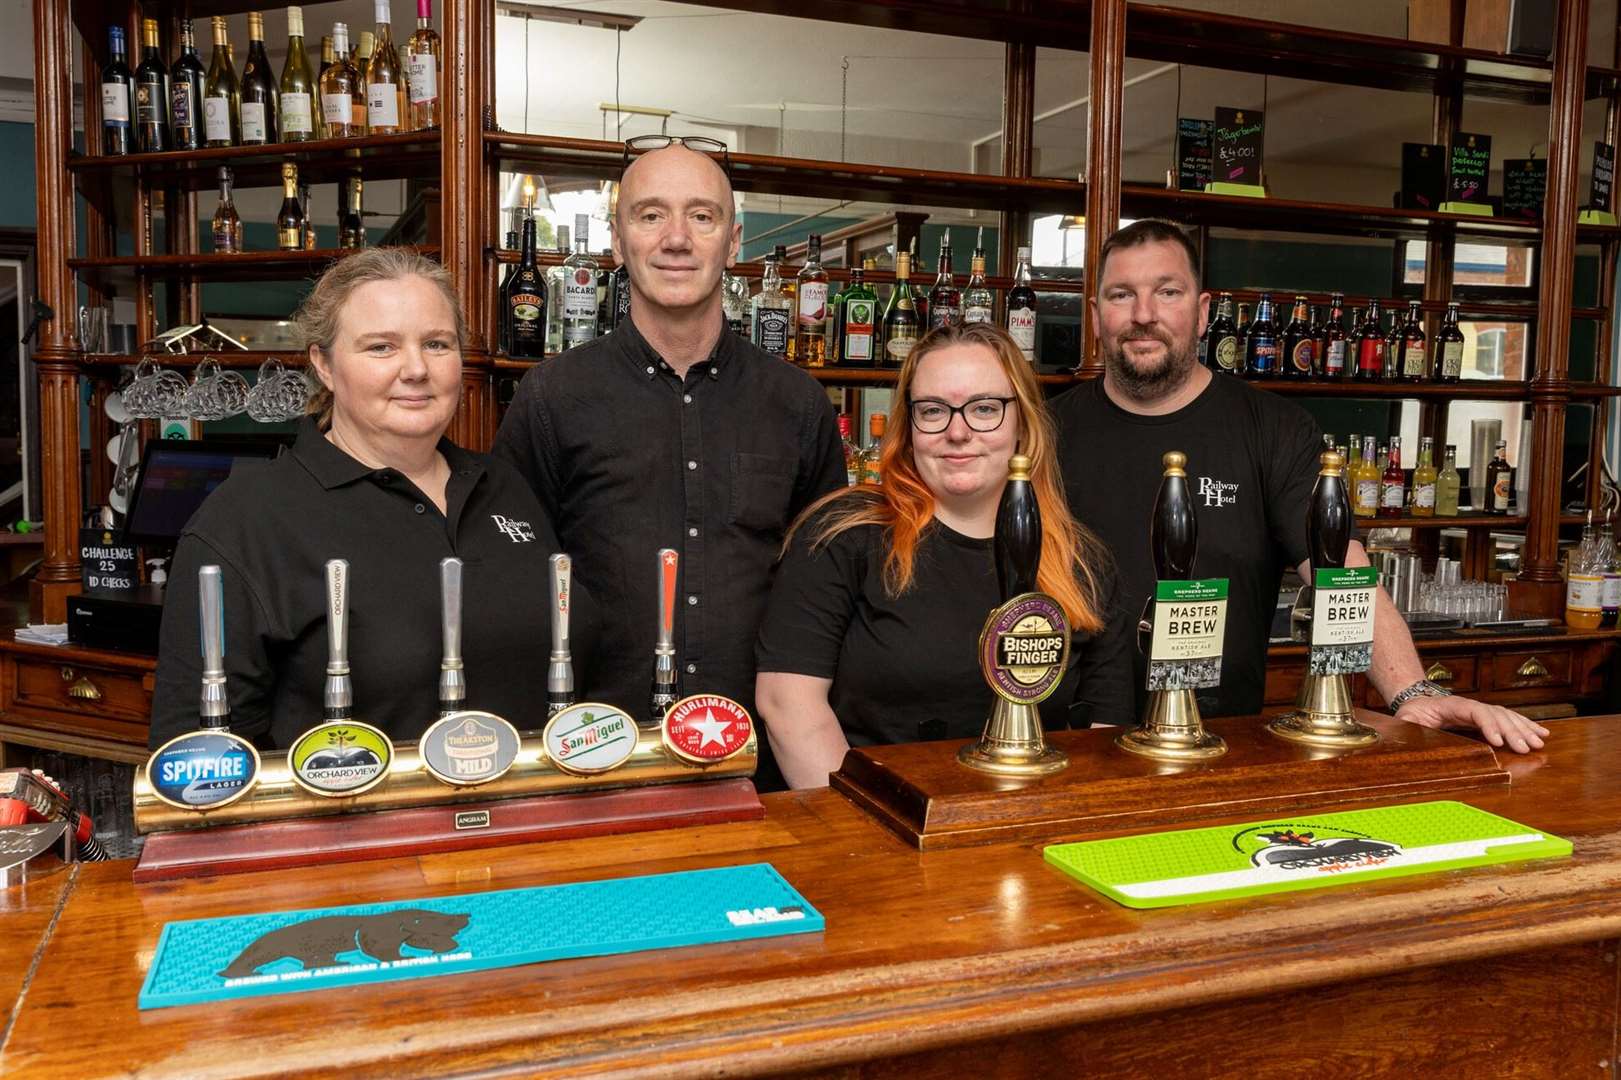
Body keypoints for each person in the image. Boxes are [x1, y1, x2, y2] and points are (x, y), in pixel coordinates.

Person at [1050, 219, 1548, 754]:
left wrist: (1411, 691)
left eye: (1167, 292)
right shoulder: (1045, 431)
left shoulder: (1274, 428)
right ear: (1096, 311)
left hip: (1218, 743)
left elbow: (1338, 568)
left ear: (1202, 312)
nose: (1144, 314)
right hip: (1065, 738)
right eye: (1122, 294)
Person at [492, 138, 845, 785]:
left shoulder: (797, 404)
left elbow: (828, 590)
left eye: (701, 216)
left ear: (733, 242)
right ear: (618, 240)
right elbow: (511, 581)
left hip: (763, 758)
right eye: (650, 215)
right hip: (592, 756)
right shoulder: (552, 397)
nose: (676, 238)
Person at [150, 248, 587, 749]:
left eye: (438, 343)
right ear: (325, 365)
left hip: (533, 821)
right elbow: (197, 758)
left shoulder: (503, 485)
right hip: (355, 825)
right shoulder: (245, 519)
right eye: (381, 347)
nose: (416, 369)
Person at [755, 323, 1134, 789]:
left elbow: (1105, 730)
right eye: (933, 411)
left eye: (984, 408)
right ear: (909, 427)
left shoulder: (1081, 563)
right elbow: (788, 705)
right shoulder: (844, 534)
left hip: (1036, 831)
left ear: (1023, 423)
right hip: (882, 832)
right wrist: (877, 834)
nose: (958, 432)